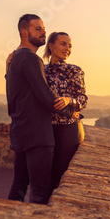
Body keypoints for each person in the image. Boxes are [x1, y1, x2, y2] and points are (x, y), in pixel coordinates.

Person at [6, 14, 75, 204]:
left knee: (19, 185)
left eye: (44, 28)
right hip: (37, 136)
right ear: (24, 32)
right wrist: (72, 112)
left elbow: (11, 98)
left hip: (20, 132)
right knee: (40, 191)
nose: (43, 32)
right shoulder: (30, 59)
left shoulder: (13, 60)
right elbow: (46, 97)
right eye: (38, 29)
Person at [43, 32, 88, 192]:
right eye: (63, 44)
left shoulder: (74, 70)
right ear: (51, 46)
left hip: (68, 128)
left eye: (69, 46)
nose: (67, 48)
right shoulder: (42, 69)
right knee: (44, 174)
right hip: (46, 127)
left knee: (61, 174)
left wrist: (69, 100)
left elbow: (83, 100)